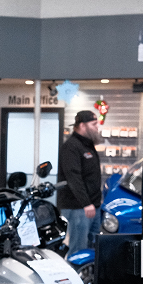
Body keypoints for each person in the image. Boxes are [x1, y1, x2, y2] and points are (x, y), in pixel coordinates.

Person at [57, 109, 103, 255]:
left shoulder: (88, 145)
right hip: (78, 208)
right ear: (82, 126)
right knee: (78, 250)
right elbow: (73, 178)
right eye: (94, 124)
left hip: (93, 206)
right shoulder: (71, 147)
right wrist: (85, 203)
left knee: (92, 249)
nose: (97, 127)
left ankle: (87, 277)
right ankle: (75, 276)